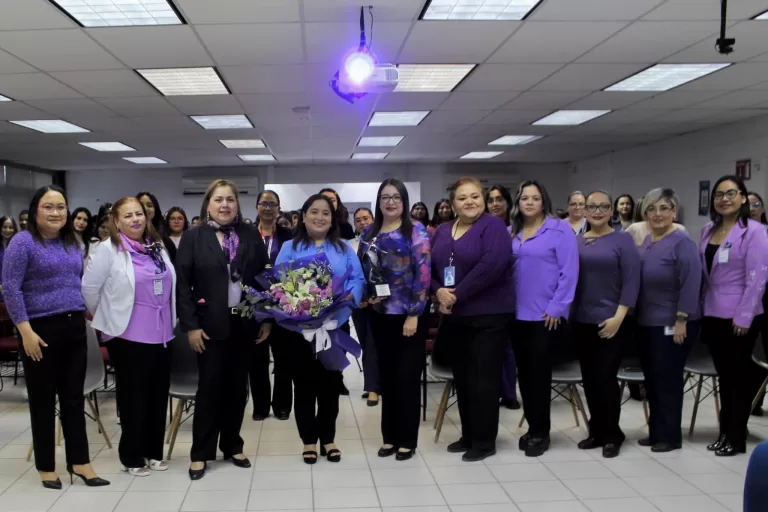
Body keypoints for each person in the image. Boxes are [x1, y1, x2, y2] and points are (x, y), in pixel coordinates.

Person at [1, 185, 109, 489]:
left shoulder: (73, 242)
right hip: (39, 331)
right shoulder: (22, 243)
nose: (56, 212)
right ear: (36, 210)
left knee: (74, 399)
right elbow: (11, 288)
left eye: (61, 207)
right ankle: (46, 466)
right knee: (43, 401)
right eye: (48, 207)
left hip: (74, 327)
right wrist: (25, 332)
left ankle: (81, 463)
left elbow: (78, 284)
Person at [176, 179, 271, 480]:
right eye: (219, 199)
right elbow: (182, 285)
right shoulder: (194, 236)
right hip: (208, 325)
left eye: (230, 199)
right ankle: (200, 453)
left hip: (243, 321)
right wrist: (190, 326)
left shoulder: (249, 233)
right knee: (209, 389)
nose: (225, 205)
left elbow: (262, 277)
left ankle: (232, 444)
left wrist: (265, 317)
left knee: (237, 389)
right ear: (208, 204)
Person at [82, 197, 175, 476]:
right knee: (134, 398)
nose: (135, 220)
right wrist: (108, 317)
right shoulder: (107, 250)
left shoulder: (156, 247)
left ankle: (153, 452)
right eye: (128, 216)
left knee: (158, 396)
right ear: (116, 221)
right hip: (126, 334)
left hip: (161, 333)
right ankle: (132, 456)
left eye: (139, 214)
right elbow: (89, 290)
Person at [275, 194, 365, 464]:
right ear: (303, 217)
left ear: (332, 218)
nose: (319, 217)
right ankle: (308, 441)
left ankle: (328, 438)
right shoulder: (290, 246)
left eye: (325, 213)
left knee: (330, 386)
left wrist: (350, 297)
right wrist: (297, 307)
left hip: (334, 328)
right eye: (314, 212)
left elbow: (357, 279)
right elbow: (279, 283)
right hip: (299, 332)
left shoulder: (344, 248)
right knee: (303, 387)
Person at [431, 177, 515, 462]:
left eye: (475, 196)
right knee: (464, 379)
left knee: (484, 380)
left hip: (488, 316)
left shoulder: (493, 227)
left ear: (484, 200)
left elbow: (491, 266)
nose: (469, 202)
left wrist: (456, 294)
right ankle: (468, 434)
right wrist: (437, 291)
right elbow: (428, 267)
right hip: (456, 318)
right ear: (452, 204)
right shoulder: (443, 230)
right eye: (462, 198)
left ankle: (484, 440)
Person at [360, 179, 430, 461]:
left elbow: (423, 275)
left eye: (396, 197)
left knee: (407, 379)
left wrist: (414, 313)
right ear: (378, 202)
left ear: (403, 201)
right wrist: (366, 298)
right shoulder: (369, 232)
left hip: (408, 316)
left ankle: (407, 440)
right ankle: (389, 438)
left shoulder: (416, 231)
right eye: (385, 197)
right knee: (387, 380)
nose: (390, 201)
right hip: (380, 315)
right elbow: (363, 269)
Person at [700, 176, 768, 456]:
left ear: (742, 198)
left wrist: (745, 316)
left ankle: (736, 438)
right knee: (724, 379)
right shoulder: (708, 230)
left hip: (740, 317)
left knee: (737, 380)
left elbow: (758, 278)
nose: (724, 199)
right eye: (719, 194)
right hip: (712, 312)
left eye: (731, 193)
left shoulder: (755, 231)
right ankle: (724, 432)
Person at [510, 180, 579, 457]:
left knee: (539, 376)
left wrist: (557, 307)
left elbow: (570, 272)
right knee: (524, 376)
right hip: (516, 315)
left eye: (535, 198)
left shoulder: (559, 229)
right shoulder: (511, 231)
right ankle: (532, 427)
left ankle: (541, 432)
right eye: (524, 198)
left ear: (543, 201)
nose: (529, 202)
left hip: (545, 316)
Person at [573, 190, 640, 459]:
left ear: (612, 211)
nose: (597, 211)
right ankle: (596, 430)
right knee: (589, 380)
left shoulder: (623, 241)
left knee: (606, 379)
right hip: (582, 320)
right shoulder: (577, 241)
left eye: (603, 206)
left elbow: (632, 281)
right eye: (592, 206)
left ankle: (613, 433)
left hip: (613, 321)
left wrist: (619, 317)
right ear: (584, 211)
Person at [636, 188, 702, 453]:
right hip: (648, 322)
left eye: (664, 208)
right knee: (652, 379)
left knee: (668, 379)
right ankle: (656, 431)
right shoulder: (648, 240)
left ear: (674, 211)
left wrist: (682, 319)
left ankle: (671, 436)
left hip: (674, 322)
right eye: (651, 209)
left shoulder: (682, 241)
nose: (658, 214)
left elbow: (691, 283)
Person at [250, 190, 293, 421]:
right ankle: (260, 406)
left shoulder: (289, 235)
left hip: (285, 306)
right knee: (257, 359)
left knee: (284, 358)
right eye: (263, 204)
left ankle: (283, 405)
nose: (268, 208)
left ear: (278, 208)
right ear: (257, 207)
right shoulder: (247, 235)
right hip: (255, 304)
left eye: (272, 204)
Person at [485, 185, 521, 411]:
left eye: (499, 199)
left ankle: (509, 393)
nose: (495, 204)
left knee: (508, 348)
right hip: (487, 296)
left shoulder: (517, 229)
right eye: (491, 200)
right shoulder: (483, 228)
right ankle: (493, 391)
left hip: (514, 295)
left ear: (508, 202)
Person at [350, 207, 379, 406]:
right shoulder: (351, 245)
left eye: (365, 218)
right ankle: (374, 384)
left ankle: (373, 388)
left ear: (373, 219)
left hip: (379, 302)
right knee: (364, 343)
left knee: (373, 343)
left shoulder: (383, 242)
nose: (362, 223)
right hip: (358, 303)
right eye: (358, 220)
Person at [748, 191, 768, 416]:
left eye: (757, 204)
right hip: (747, 305)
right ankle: (754, 401)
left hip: (766, 299)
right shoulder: (737, 235)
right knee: (752, 356)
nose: (753, 208)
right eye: (749, 204)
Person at [136, 192, 176, 263]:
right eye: (141, 205)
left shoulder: (165, 235)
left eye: (149, 205)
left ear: (155, 209)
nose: (145, 208)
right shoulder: (129, 235)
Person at [0, 215, 19, 301]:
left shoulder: (18, 246)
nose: (7, 230)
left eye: (11, 227)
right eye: (4, 227)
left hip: (14, 293)